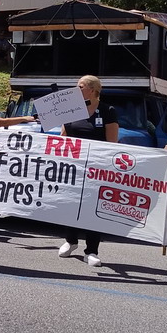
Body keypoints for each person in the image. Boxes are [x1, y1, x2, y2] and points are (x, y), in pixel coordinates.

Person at [55, 76, 119, 265]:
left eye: (80, 86)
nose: (76, 89)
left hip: (96, 169)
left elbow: (112, 143)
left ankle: (91, 250)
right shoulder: (70, 109)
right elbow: (63, 137)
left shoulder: (107, 111)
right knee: (70, 203)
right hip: (73, 166)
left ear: (92, 90)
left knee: (92, 207)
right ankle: (70, 240)